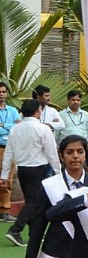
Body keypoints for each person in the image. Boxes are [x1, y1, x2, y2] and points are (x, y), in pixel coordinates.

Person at [2, 99, 61, 249]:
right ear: (37, 112)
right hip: (38, 169)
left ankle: (34, 233)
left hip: (22, 169)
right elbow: (51, 152)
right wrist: (58, 171)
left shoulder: (15, 129)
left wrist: (4, 174)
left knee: (32, 201)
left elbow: (9, 152)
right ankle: (16, 229)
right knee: (34, 202)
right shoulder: (42, 128)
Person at [0, 82, 18, 221]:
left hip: (10, 149)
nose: (1, 94)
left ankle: (4, 211)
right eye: (0, 91)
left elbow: (18, 125)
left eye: (4, 91)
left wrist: (4, 125)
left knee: (7, 179)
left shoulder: (12, 110)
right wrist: (9, 128)